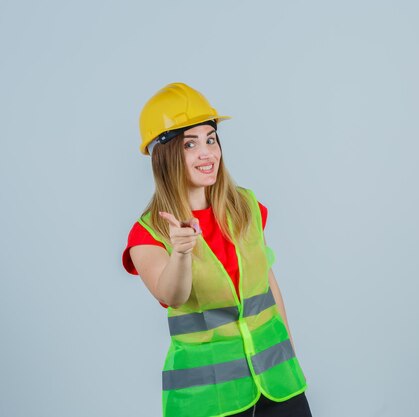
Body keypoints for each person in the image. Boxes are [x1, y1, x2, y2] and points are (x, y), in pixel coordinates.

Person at [122, 83, 312, 417]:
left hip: (276, 381)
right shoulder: (148, 233)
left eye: (211, 139)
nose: (206, 153)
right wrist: (181, 253)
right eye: (190, 144)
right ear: (164, 157)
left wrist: (290, 357)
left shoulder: (246, 207)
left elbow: (267, 284)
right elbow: (173, 295)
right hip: (210, 399)